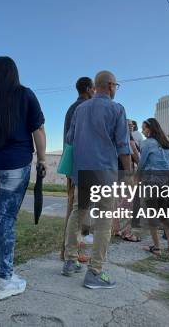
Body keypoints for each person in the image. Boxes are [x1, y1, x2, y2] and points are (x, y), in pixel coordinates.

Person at [0, 56, 46, 300]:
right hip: (15, 163)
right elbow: (38, 129)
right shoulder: (25, 95)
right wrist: (42, 159)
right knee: (6, 219)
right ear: (14, 73)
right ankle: (4, 279)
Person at [62, 70, 132, 289]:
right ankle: (95, 272)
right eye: (116, 86)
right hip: (104, 173)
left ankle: (70, 261)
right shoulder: (116, 109)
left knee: (78, 213)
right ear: (110, 85)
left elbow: (69, 139)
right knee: (103, 222)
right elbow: (123, 145)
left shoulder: (80, 109)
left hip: (82, 172)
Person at [60, 77, 95, 261]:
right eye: (94, 89)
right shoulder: (83, 108)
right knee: (76, 208)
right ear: (89, 89)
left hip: (72, 162)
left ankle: (67, 251)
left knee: (75, 207)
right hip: (80, 164)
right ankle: (68, 252)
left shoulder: (73, 107)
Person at [137, 118, 169, 255]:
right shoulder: (167, 145)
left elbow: (142, 163)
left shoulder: (147, 143)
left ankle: (157, 247)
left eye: (144, 128)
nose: (142, 130)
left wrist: (136, 177)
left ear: (151, 129)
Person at [113, 118, 140, 242]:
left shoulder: (116, 138)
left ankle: (116, 229)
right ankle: (126, 232)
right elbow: (136, 157)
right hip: (125, 175)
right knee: (127, 205)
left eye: (132, 125)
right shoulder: (129, 140)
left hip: (116, 174)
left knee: (118, 204)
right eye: (128, 125)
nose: (131, 127)